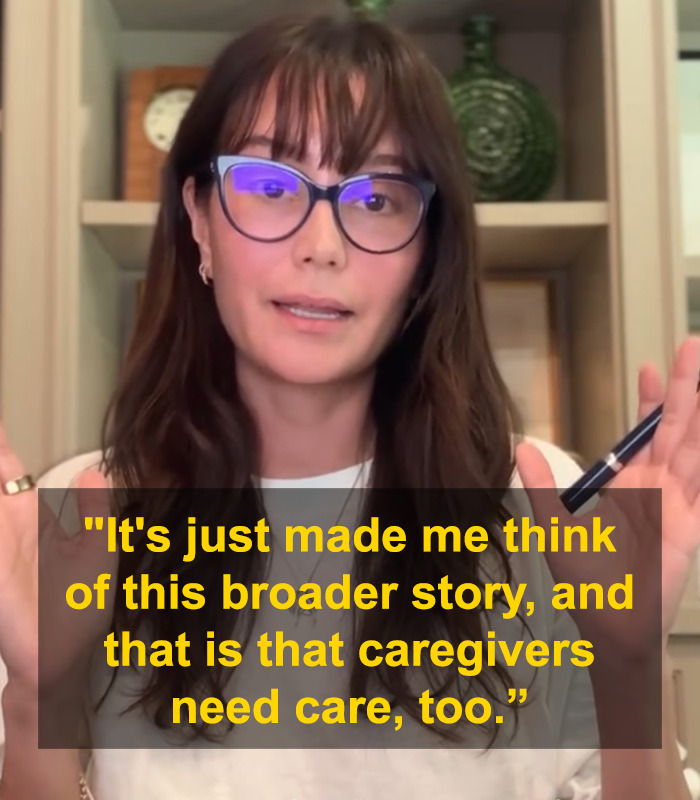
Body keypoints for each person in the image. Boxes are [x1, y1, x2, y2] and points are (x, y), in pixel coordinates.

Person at [0, 11, 699, 800]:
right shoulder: (86, 518)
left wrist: (632, 667)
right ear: (199, 220)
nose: (323, 244)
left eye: (377, 198)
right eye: (269, 184)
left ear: (426, 249)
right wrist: (36, 697)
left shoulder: (548, 510)